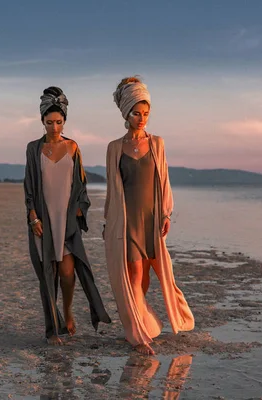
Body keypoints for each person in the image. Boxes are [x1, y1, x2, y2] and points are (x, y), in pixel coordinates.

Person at [103, 76, 194, 355]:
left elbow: (163, 179)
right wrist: (109, 222)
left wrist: (166, 213)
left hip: (152, 220)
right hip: (128, 221)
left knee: (149, 278)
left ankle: (139, 322)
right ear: (126, 114)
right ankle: (139, 334)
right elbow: (112, 189)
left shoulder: (157, 143)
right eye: (136, 113)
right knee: (134, 273)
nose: (142, 119)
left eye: (146, 113)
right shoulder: (114, 148)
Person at [24, 86, 111, 345]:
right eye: (49, 122)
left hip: (67, 221)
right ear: (42, 121)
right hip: (44, 219)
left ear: (64, 121)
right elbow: (28, 186)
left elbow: (81, 186)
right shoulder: (33, 149)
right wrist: (33, 217)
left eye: (59, 122)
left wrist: (79, 210)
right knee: (47, 275)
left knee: (68, 273)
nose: (54, 127)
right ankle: (53, 329)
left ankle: (69, 311)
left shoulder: (73, 147)